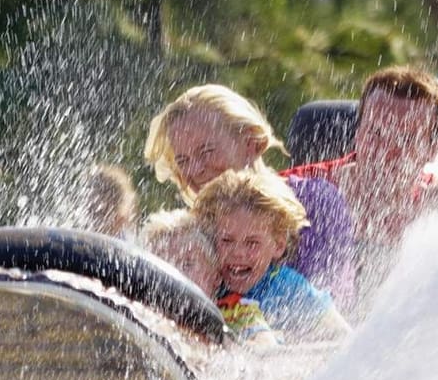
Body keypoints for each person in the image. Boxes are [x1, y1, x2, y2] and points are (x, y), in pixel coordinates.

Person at [144, 84, 356, 311]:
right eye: (183, 161)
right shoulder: (191, 232)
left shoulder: (314, 200)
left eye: (206, 152)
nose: (194, 171)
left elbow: (334, 304)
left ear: (251, 143)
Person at [284, 66, 438, 300]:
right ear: (358, 132)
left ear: (432, 149)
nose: (386, 151)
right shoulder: (300, 193)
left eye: (406, 139)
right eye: (376, 133)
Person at [192, 169, 351, 342]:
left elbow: (342, 335)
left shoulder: (288, 287)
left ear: (278, 246)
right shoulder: (209, 283)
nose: (237, 253)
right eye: (226, 240)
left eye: (252, 243)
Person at [139, 209, 219, 298]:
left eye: (187, 264)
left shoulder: (234, 310)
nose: (175, 274)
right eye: (163, 266)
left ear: (216, 276)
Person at [81, 163, 138, 239]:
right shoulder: (77, 237)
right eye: (90, 210)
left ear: (121, 218)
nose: (93, 221)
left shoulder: (126, 247)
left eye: (101, 213)